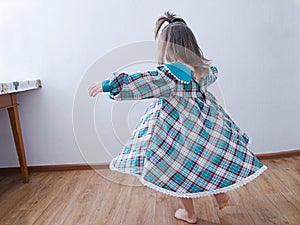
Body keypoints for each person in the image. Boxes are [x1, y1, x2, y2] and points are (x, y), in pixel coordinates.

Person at [88, 11, 267, 224]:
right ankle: (219, 193)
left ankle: (188, 213)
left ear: (166, 48)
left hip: (178, 133)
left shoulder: (168, 76)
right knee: (206, 159)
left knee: (178, 168)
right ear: (191, 45)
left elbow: (141, 80)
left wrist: (107, 85)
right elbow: (212, 75)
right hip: (205, 128)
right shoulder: (202, 71)